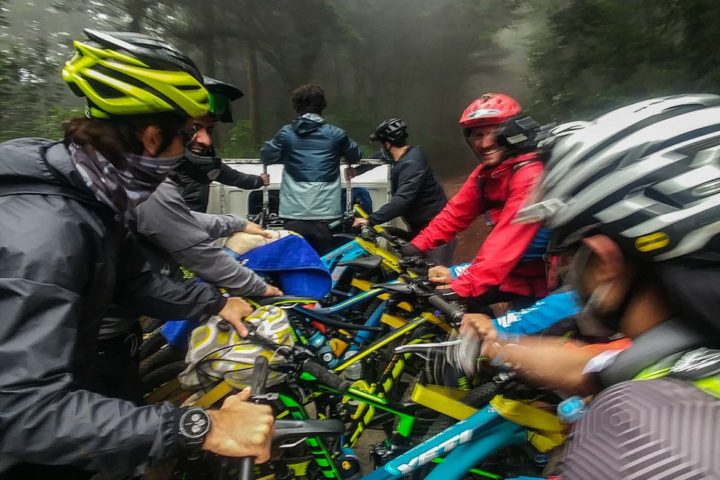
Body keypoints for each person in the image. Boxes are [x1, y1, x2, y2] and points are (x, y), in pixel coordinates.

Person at [0, 30, 273, 479]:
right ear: (150, 137)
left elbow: (133, 280)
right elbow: (21, 409)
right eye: (186, 134)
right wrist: (198, 424)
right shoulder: (46, 233)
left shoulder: (91, 193)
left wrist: (216, 302)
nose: (194, 145)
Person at [481, 94, 720, 478]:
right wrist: (499, 346)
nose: (567, 273)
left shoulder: (639, 432)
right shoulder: (699, 358)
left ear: (605, 261)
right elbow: (600, 363)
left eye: (572, 255)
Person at [91, 77, 282, 405]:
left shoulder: (107, 171)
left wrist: (236, 223)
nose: (205, 140)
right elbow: (194, 250)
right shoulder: (143, 184)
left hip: (105, 328)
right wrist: (262, 289)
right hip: (96, 343)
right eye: (192, 129)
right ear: (152, 134)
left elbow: (179, 221)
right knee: (119, 435)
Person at [402, 93, 548, 310]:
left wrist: (465, 285)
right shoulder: (487, 174)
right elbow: (454, 214)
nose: (485, 143)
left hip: (546, 281)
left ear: (515, 133)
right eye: (478, 135)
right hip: (516, 273)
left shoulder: (529, 174)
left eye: (494, 134)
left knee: (515, 338)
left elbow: (507, 241)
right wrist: (415, 246)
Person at [261, 84, 362, 255]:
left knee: (295, 261)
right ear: (322, 105)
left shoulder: (286, 133)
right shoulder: (336, 134)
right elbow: (356, 155)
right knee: (324, 260)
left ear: (296, 106)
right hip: (326, 212)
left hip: (293, 212)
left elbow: (266, 155)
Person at [350, 118, 453, 264]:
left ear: (387, 144)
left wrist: (369, 220)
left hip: (436, 229)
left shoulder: (411, 164)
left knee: (436, 278)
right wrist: (357, 171)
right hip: (422, 226)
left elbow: (402, 201)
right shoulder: (406, 155)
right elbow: (380, 157)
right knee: (392, 239)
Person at [171, 76, 269, 212]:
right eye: (194, 129)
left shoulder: (201, 164)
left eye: (209, 130)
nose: (206, 141)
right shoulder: (150, 175)